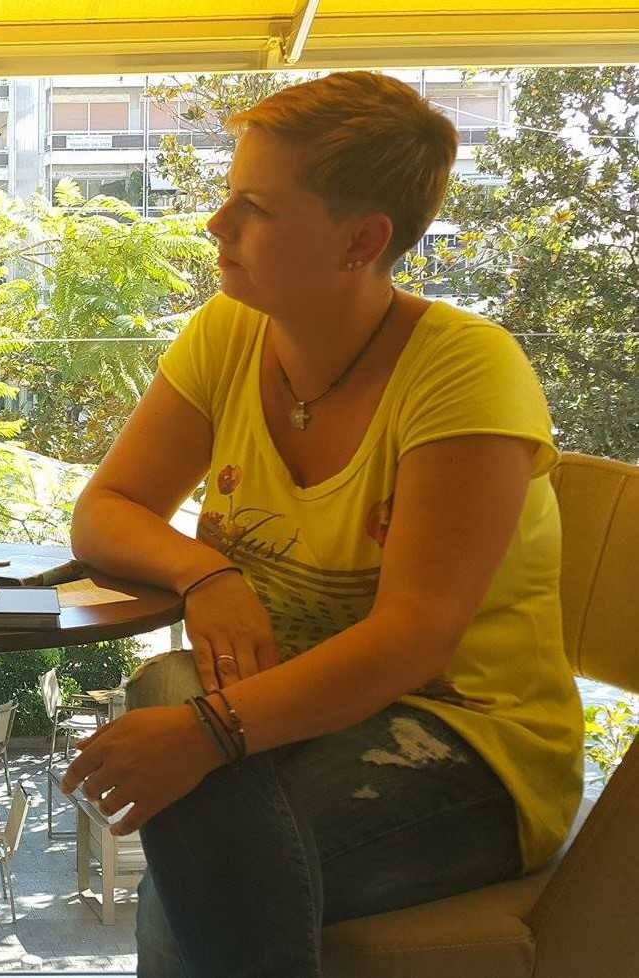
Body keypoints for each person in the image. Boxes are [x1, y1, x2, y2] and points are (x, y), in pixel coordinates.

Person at [62, 71, 583, 977]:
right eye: (229, 196)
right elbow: (105, 510)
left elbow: (414, 639)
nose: (216, 224)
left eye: (256, 208)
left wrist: (207, 732)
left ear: (362, 241)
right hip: (290, 720)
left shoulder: (466, 371)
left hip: (468, 744)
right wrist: (208, 574)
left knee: (197, 851)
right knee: (173, 699)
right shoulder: (228, 334)